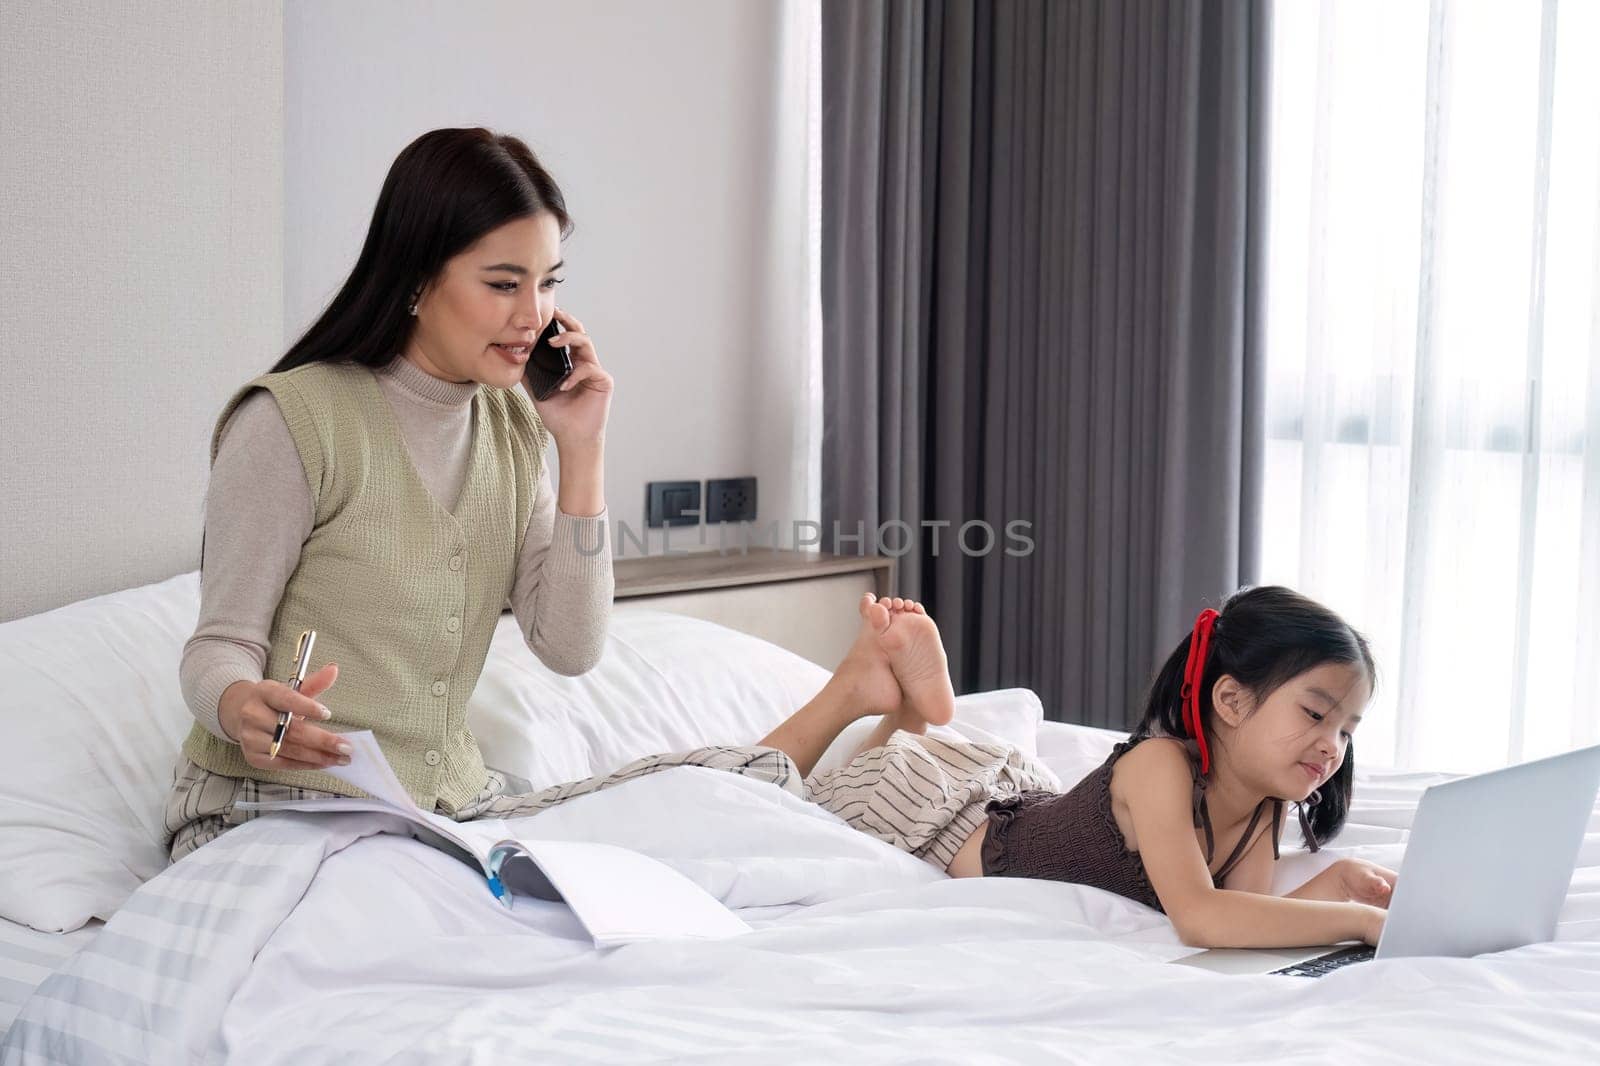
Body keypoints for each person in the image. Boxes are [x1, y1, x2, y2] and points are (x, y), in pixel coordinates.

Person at [165, 127, 617, 860]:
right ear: (415, 278)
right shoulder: (290, 422)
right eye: (503, 283)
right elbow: (219, 648)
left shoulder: (517, 428)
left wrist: (582, 449)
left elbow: (571, 647)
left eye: (549, 282)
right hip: (275, 811)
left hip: (444, 814)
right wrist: (242, 704)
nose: (532, 315)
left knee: (674, 812)